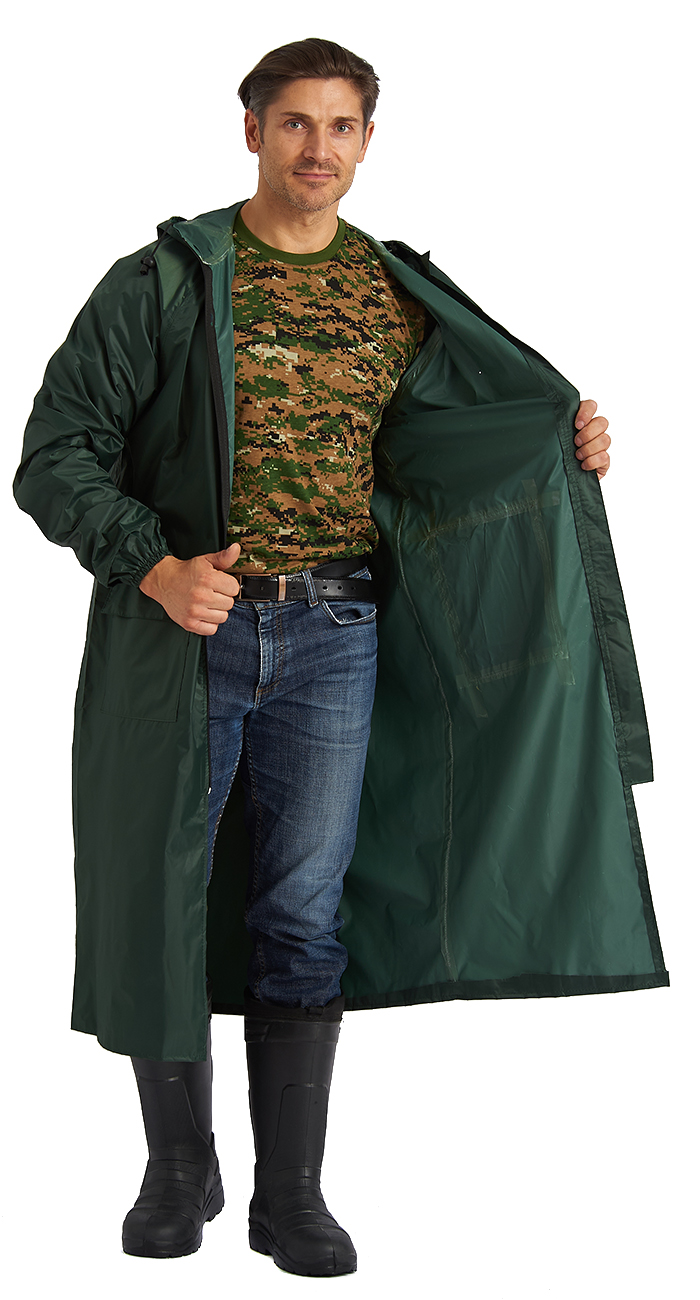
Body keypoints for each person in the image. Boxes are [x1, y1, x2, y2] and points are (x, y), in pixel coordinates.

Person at [13, 36, 666, 1281]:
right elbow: (54, 455)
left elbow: (455, 439)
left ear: (368, 140)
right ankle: (176, 1167)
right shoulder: (167, 281)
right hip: (186, 640)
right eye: (295, 123)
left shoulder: (391, 290)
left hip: (335, 637)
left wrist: (560, 442)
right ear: (252, 130)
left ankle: (290, 1195)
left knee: (303, 911)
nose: (318, 149)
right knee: (161, 892)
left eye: (342, 126)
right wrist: (156, 564)